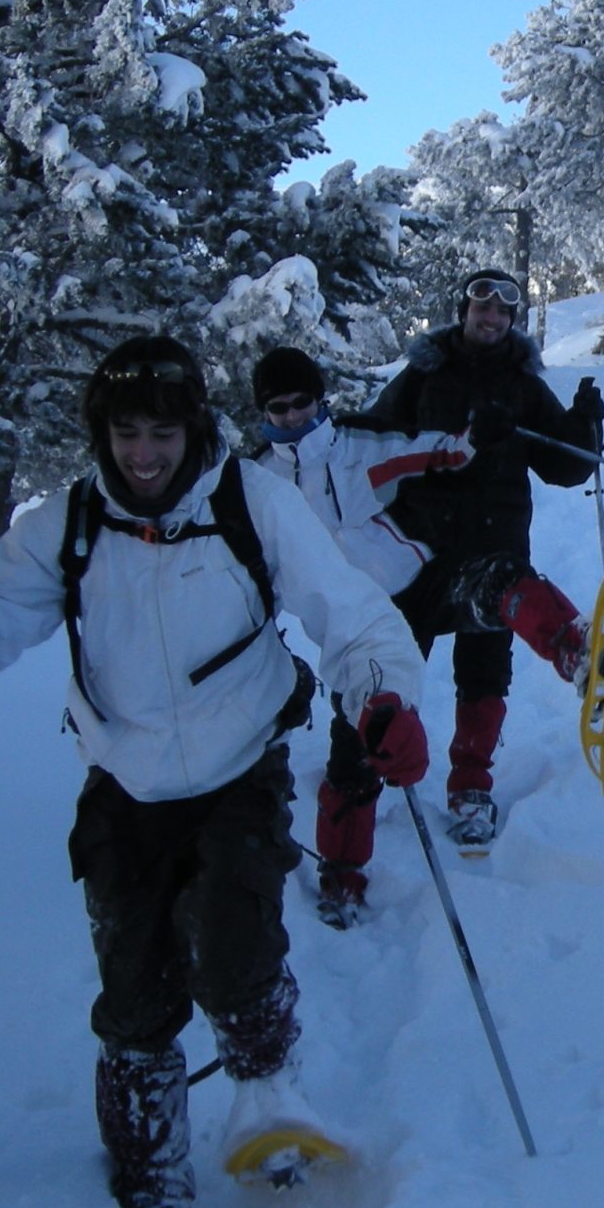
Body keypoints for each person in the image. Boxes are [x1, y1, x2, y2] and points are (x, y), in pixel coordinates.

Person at [0, 334, 430, 1208]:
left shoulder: (253, 503)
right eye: (127, 433)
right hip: (123, 786)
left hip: (240, 766)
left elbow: (347, 607)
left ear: (193, 428)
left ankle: (270, 1099)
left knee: (238, 946)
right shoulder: (69, 523)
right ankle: (149, 1172)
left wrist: (382, 694)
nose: (144, 454)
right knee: (134, 998)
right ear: (102, 434)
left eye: (162, 432)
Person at [366, 267, 604, 850]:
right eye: (482, 305)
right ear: (464, 309)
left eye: (503, 310)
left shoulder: (522, 384)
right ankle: (365, 780)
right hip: (418, 550)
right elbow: (372, 444)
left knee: (483, 675)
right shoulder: (423, 375)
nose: (492, 317)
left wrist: (585, 428)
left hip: (495, 548)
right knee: (391, 668)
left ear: (512, 320)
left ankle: (471, 789)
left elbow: (567, 468)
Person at [243, 344, 473, 925]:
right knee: (357, 738)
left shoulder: (358, 447)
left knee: (405, 710)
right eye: (278, 408)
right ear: (263, 412)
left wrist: (478, 431)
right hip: (340, 627)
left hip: (405, 594)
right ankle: (342, 873)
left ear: (320, 399)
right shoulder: (257, 484)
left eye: (302, 403)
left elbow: (435, 452)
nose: (292, 417)